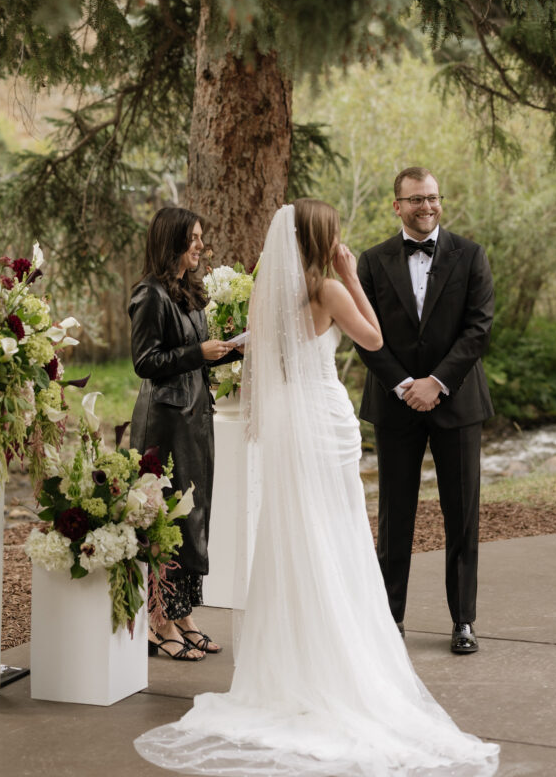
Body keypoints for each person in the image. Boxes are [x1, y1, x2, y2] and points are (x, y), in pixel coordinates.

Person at [134, 199, 499, 776]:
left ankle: (290, 663)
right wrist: (351, 274)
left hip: (285, 422)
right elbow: (374, 339)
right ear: (323, 238)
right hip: (324, 420)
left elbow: (260, 354)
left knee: (292, 531)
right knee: (336, 532)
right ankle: (338, 657)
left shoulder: (266, 293)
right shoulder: (328, 289)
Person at [356, 167, 495, 654]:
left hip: (456, 402)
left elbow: (478, 329)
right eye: (415, 199)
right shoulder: (371, 263)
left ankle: (463, 622)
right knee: (395, 516)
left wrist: (435, 383)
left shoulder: (471, 255)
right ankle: (389, 621)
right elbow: (364, 334)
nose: (426, 207)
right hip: (396, 406)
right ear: (396, 205)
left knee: (462, 516)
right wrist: (402, 385)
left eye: (432, 198)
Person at [129, 206, 238, 661]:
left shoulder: (188, 291)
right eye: (192, 237)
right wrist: (198, 352)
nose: (199, 245)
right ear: (171, 240)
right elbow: (145, 362)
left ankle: (184, 612)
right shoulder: (149, 295)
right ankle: (159, 620)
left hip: (196, 418)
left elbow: (194, 354)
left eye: (200, 237)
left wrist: (229, 351)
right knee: (167, 517)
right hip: (165, 423)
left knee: (194, 517)